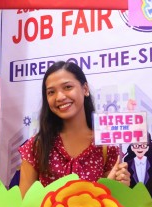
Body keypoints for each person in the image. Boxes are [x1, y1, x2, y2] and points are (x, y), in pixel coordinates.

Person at [18, 61, 130, 198]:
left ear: (85, 89)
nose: (59, 97)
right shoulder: (36, 147)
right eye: (51, 92)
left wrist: (118, 187)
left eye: (67, 87)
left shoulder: (107, 145)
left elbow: (112, 206)